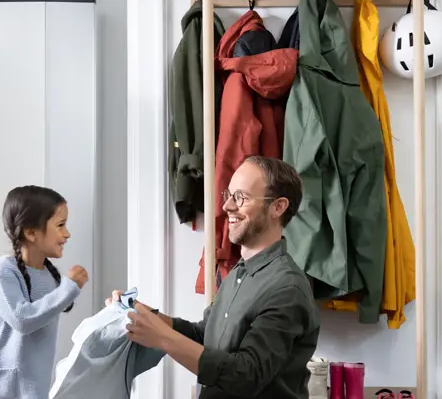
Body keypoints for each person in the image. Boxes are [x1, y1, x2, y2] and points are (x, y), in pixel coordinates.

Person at [115, 156, 321, 398]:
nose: (227, 207)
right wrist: (146, 315)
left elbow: (246, 375)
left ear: (278, 207)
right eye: (229, 195)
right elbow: (205, 335)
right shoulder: (238, 273)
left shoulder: (287, 288)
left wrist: (163, 338)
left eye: (241, 197)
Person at [0, 185, 90, 399]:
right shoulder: (4, 270)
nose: (67, 234)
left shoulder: (49, 276)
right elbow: (23, 319)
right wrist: (68, 288)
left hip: (31, 390)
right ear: (31, 232)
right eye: (61, 225)